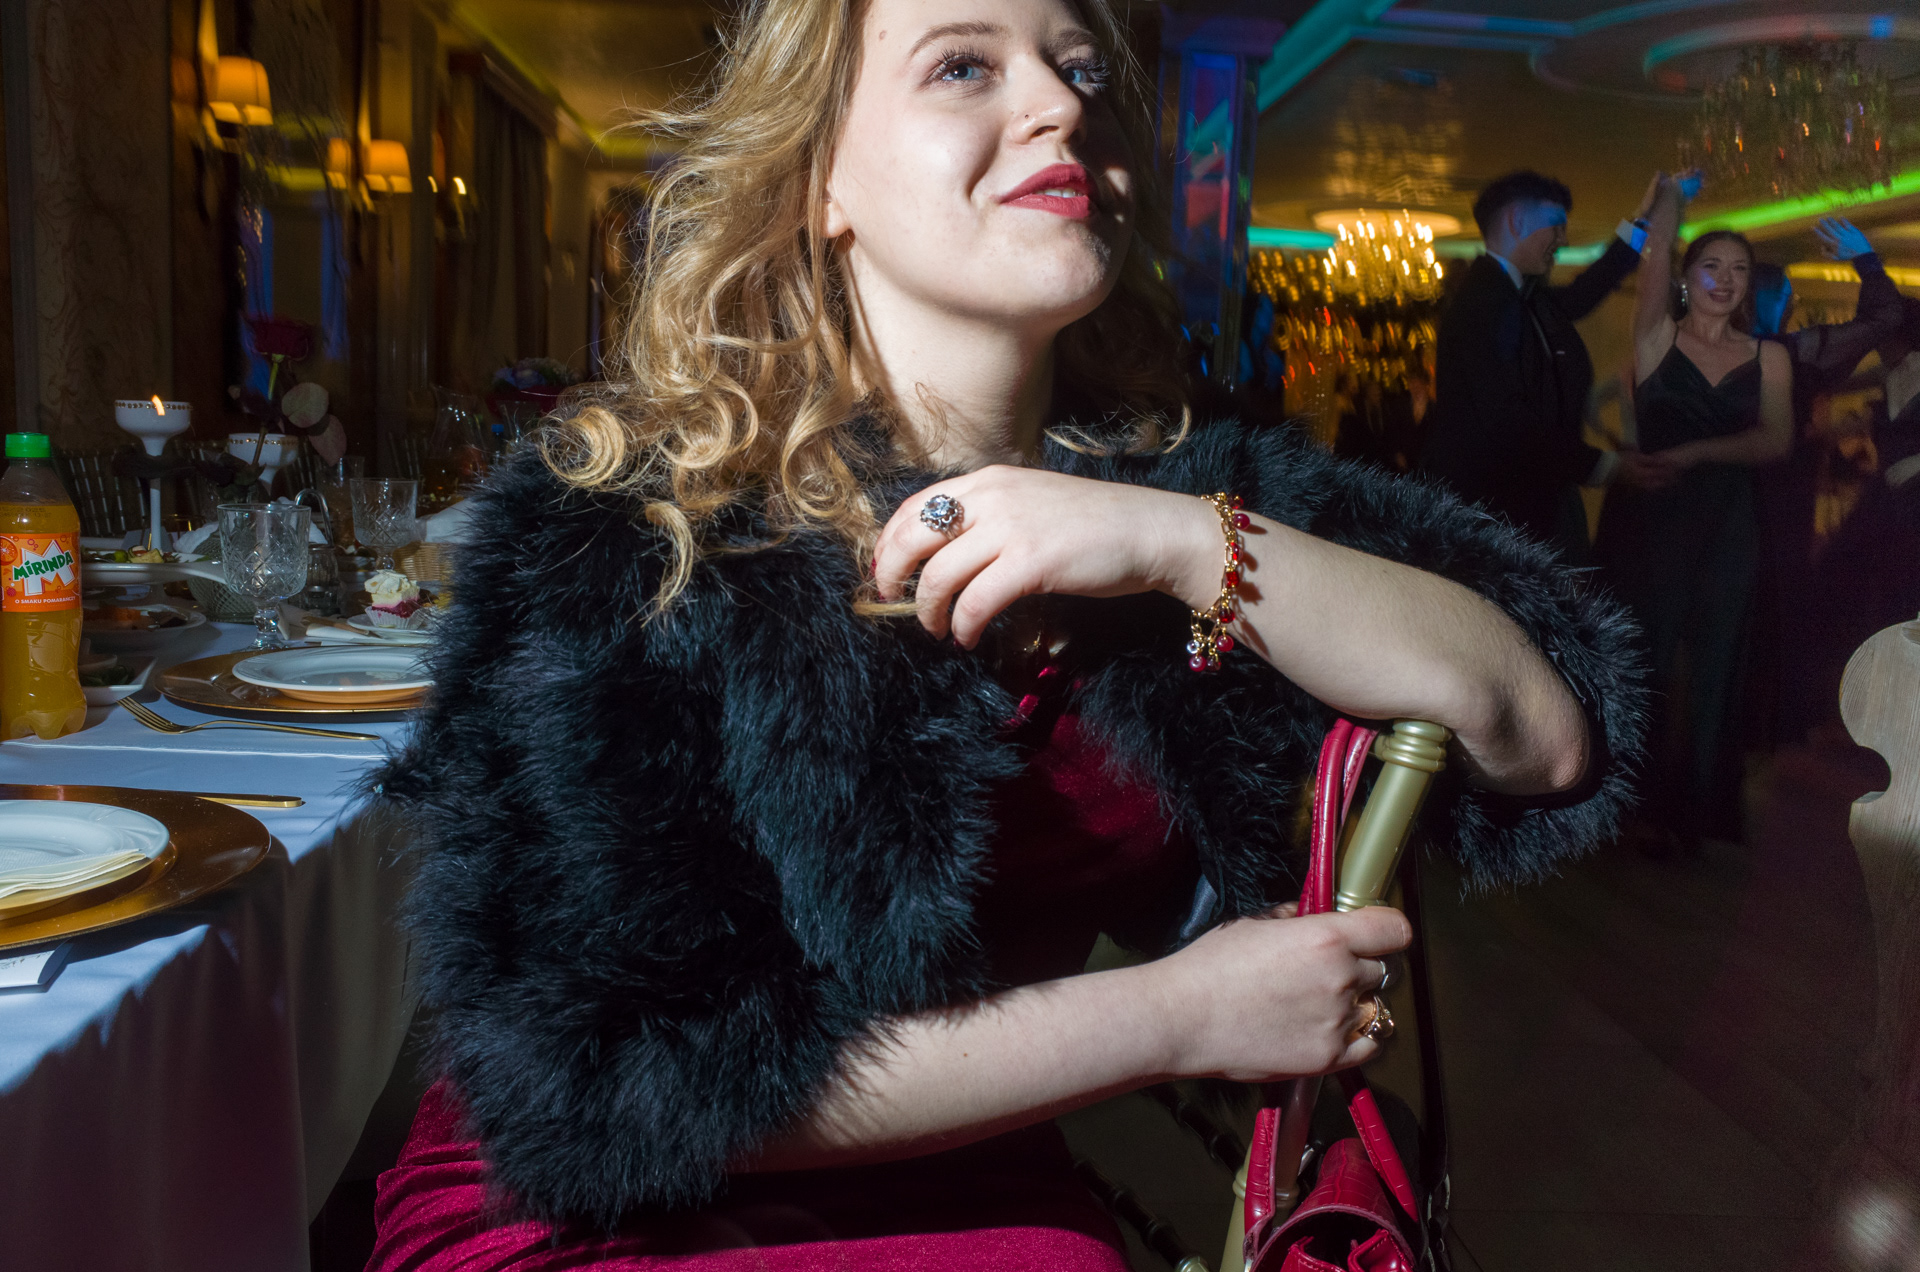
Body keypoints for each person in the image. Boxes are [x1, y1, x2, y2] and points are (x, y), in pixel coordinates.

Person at [366, 1, 1646, 1267]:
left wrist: (1183, 544)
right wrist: (1175, 1016)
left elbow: (1548, 735)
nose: (1058, 105)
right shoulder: (637, 526)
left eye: (1080, 67)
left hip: (968, 1168)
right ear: (821, 182)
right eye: (964, 66)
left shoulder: (1184, 488)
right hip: (590, 1221)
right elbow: (599, 1093)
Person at [1597, 174, 1793, 847]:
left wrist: (1697, 452)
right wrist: (1668, 206)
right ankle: (1634, 806)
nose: (1725, 279)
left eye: (1739, 270)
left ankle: (1700, 809)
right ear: (1685, 276)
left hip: (1730, 521)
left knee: (1717, 663)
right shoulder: (1656, 339)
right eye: (1712, 265)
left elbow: (1775, 439)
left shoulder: (1768, 357)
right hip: (1655, 518)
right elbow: (1653, 267)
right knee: (1646, 657)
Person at [1419, 169, 1667, 559]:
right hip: (1499, 516)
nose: (1563, 240)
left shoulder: (1520, 293)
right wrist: (1606, 466)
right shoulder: (1482, 304)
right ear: (1517, 222)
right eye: (1556, 226)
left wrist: (1642, 220)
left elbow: (1587, 290)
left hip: (1535, 499)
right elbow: (1507, 421)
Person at [1744, 221, 1904, 745]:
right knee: (1783, 614)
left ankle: (1728, 750)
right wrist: (1864, 257)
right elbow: (1884, 318)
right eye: (1787, 296)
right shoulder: (1795, 354)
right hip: (1776, 509)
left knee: (1736, 627)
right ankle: (1776, 734)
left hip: (1728, 507)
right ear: (1779, 301)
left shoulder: (1707, 357)